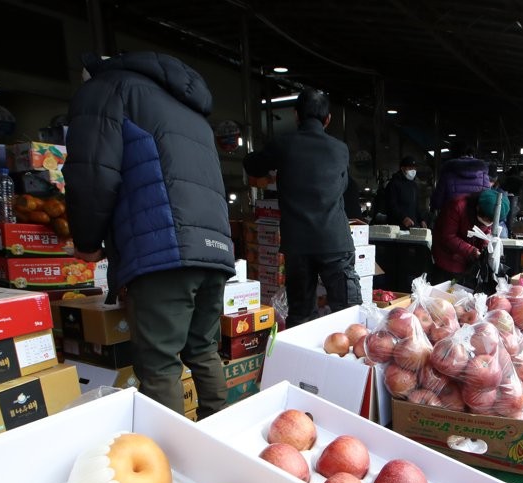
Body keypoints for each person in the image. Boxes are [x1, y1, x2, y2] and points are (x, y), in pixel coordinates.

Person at [64, 52, 235, 418]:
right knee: (203, 350)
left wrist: (88, 242)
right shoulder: (190, 109)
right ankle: (221, 442)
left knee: (159, 365)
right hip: (215, 249)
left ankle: (170, 465)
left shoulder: (105, 90)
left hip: (164, 247)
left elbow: (92, 174)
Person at [243, 88, 361, 327]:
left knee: (301, 316)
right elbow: (344, 185)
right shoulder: (341, 149)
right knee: (349, 314)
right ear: (328, 119)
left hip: (298, 245)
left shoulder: (283, 144)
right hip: (334, 242)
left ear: (296, 115)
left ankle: (305, 362)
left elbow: (253, 166)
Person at [430, 189, 509, 286]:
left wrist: (485, 247)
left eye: (490, 221)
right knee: (448, 287)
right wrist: (471, 250)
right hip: (447, 254)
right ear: (478, 208)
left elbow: (485, 232)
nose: (488, 223)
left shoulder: (489, 213)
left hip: (468, 258)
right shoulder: (457, 206)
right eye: (486, 219)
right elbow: (448, 237)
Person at [430, 146, 492, 211]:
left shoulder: (447, 175)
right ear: (473, 155)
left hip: (451, 217)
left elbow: (436, 202)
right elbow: (487, 203)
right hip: (474, 219)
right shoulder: (484, 177)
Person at [384, 155, 425, 228]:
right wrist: (403, 218)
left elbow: (416, 206)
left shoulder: (414, 185)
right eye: (410, 168)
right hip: (397, 226)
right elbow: (391, 205)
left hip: (412, 226)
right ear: (402, 168)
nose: (413, 171)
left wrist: (421, 220)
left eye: (414, 168)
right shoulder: (393, 184)